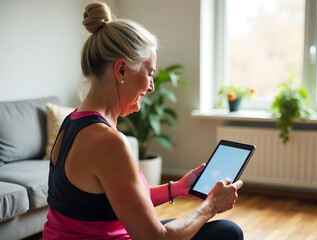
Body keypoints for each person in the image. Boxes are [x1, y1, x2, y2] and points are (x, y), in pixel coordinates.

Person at [43, 2, 244, 240]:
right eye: (149, 73)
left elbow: (123, 198)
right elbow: (154, 238)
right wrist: (211, 206)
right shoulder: (108, 143)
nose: (151, 86)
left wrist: (178, 189)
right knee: (227, 232)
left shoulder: (72, 122)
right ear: (121, 71)